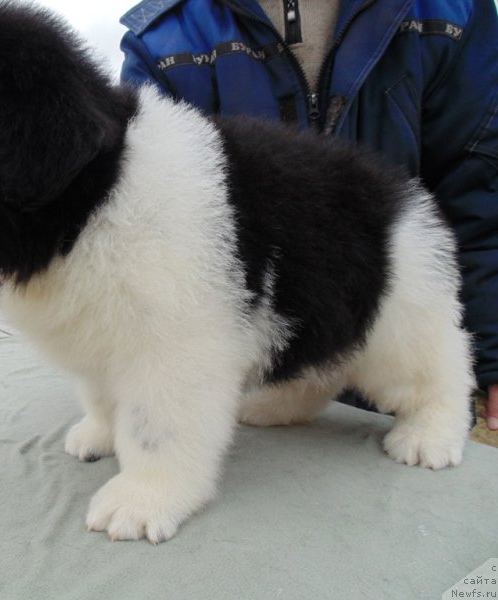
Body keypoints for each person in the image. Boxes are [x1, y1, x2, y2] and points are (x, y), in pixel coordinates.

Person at [118, 0, 498, 429]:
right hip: (244, 381)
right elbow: (139, 227)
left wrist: (494, 349)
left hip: (407, 341)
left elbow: (480, 183)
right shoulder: (163, 36)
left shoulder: (449, 10)